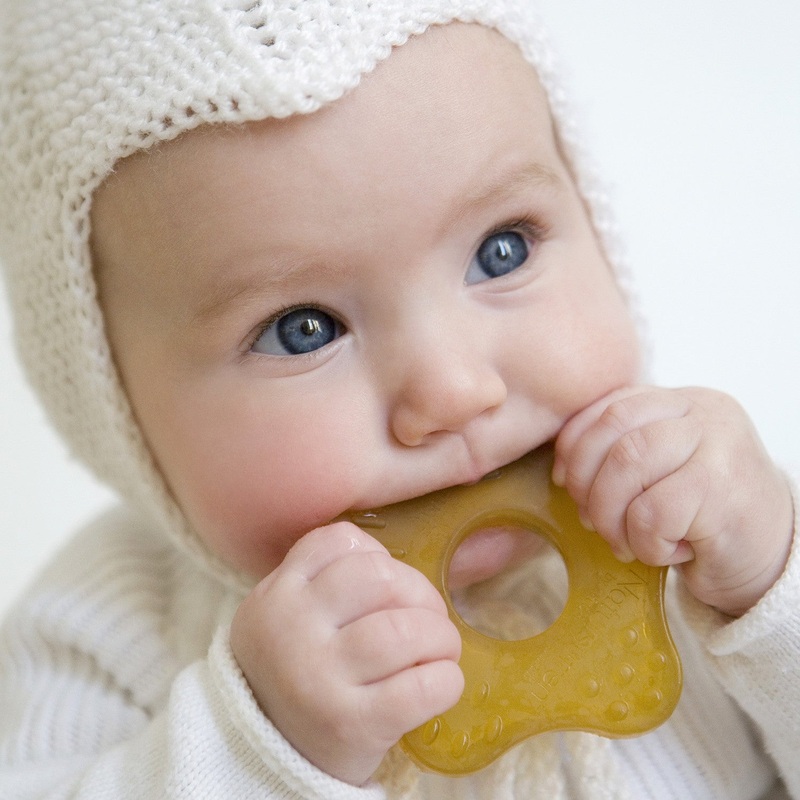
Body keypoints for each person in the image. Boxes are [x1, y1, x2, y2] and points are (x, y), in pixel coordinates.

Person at [0, 1, 797, 798]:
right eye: (302, 330)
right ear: (120, 416)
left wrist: (772, 583)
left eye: (501, 250)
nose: (453, 391)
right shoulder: (105, 627)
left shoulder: (693, 531)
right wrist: (254, 745)